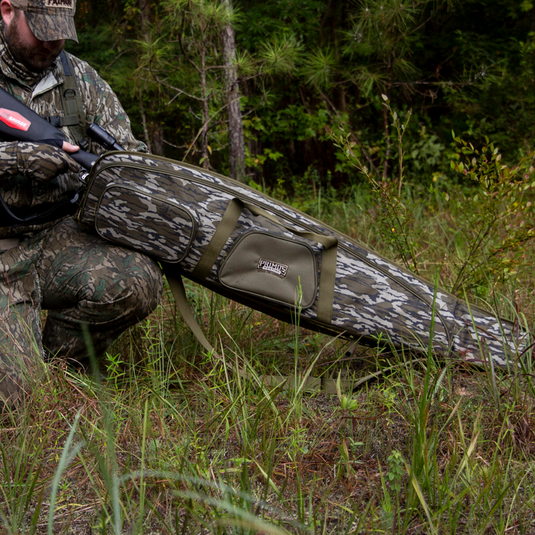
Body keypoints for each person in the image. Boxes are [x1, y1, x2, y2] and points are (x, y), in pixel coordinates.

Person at [0, 0, 163, 409]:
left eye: (61, 30)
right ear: (7, 11)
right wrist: (18, 159)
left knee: (135, 280)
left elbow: (130, 157)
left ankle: (62, 368)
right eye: (41, 28)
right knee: (16, 403)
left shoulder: (81, 80)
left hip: (55, 238)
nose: (53, 41)